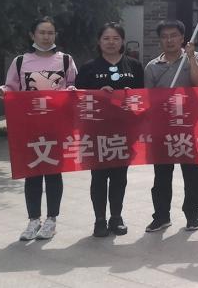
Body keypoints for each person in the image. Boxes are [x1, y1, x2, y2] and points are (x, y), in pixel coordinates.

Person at [0, 16, 78, 241]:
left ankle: (51, 220)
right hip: (29, 126)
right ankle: (33, 220)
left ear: (55, 35)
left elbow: (73, 87)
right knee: (32, 173)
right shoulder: (21, 61)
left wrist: (72, 91)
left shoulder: (65, 60)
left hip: (56, 127)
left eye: (50, 32)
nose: (46, 37)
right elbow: (10, 88)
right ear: (33, 35)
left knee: (53, 173)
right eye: (42, 32)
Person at [75, 22, 145, 237]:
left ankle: (116, 217)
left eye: (116, 38)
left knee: (119, 177)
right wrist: (98, 92)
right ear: (99, 42)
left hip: (124, 132)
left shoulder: (134, 66)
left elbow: (143, 98)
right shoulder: (88, 67)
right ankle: (99, 220)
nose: (111, 42)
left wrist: (131, 94)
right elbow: (77, 98)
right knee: (98, 177)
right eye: (106, 38)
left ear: (122, 41)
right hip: (96, 131)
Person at [143, 19, 198, 233]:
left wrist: (190, 56)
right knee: (162, 175)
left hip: (190, 127)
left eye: (174, 36)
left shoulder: (196, 58)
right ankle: (161, 216)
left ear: (182, 38)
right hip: (163, 128)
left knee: (192, 174)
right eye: (164, 36)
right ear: (159, 40)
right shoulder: (152, 67)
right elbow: (149, 99)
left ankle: (192, 215)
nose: (169, 40)